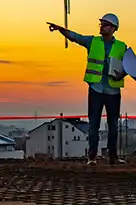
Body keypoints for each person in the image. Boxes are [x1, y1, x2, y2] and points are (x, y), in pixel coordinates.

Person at [47, 13, 128, 166]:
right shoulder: (93, 41)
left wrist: (122, 73)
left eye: (105, 24)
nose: (102, 27)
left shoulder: (121, 47)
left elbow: (131, 65)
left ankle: (113, 157)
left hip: (112, 91)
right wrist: (60, 29)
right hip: (96, 88)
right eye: (101, 24)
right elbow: (75, 37)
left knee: (113, 125)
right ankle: (92, 157)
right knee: (93, 125)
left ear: (113, 28)